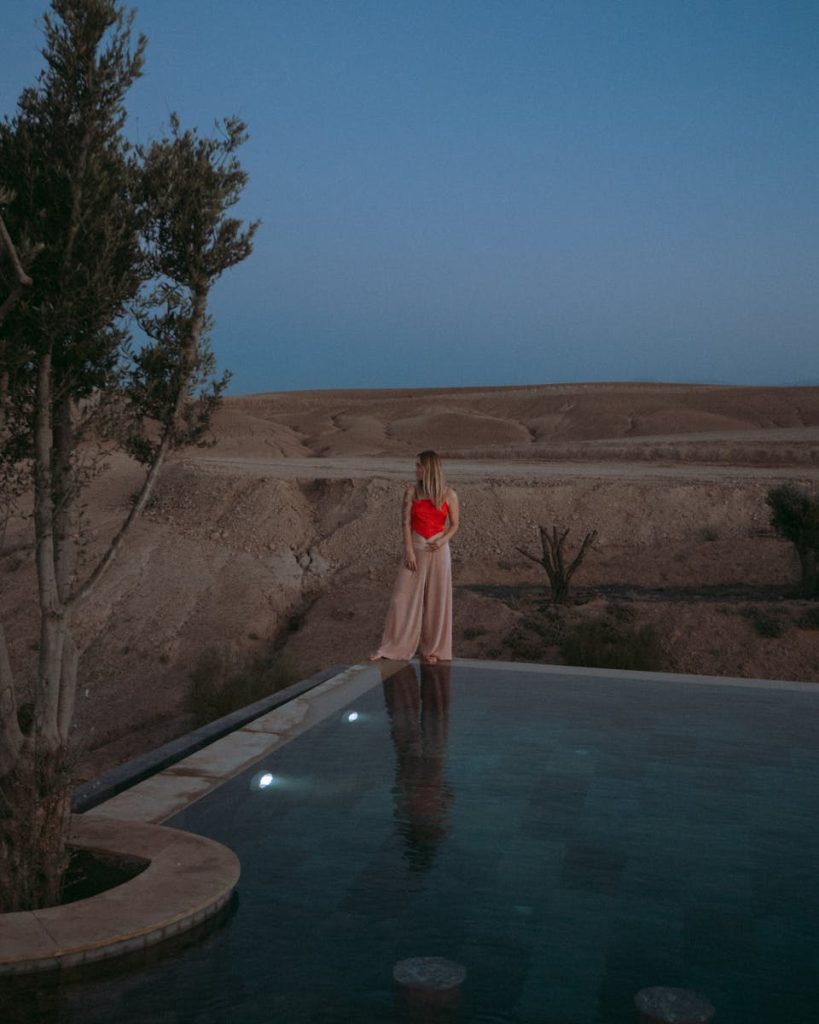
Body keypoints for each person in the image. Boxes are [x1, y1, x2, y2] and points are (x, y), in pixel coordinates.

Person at [370, 450, 459, 663]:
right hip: (416, 549)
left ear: (430, 469)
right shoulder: (411, 491)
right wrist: (409, 550)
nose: (416, 470)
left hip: (439, 551)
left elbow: (455, 524)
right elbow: (406, 523)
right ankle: (392, 648)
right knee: (401, 598)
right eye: (416, 465)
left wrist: (443, 540)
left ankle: (433, 650)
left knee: (437, 600)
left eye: (419, 466)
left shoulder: (449, 494)